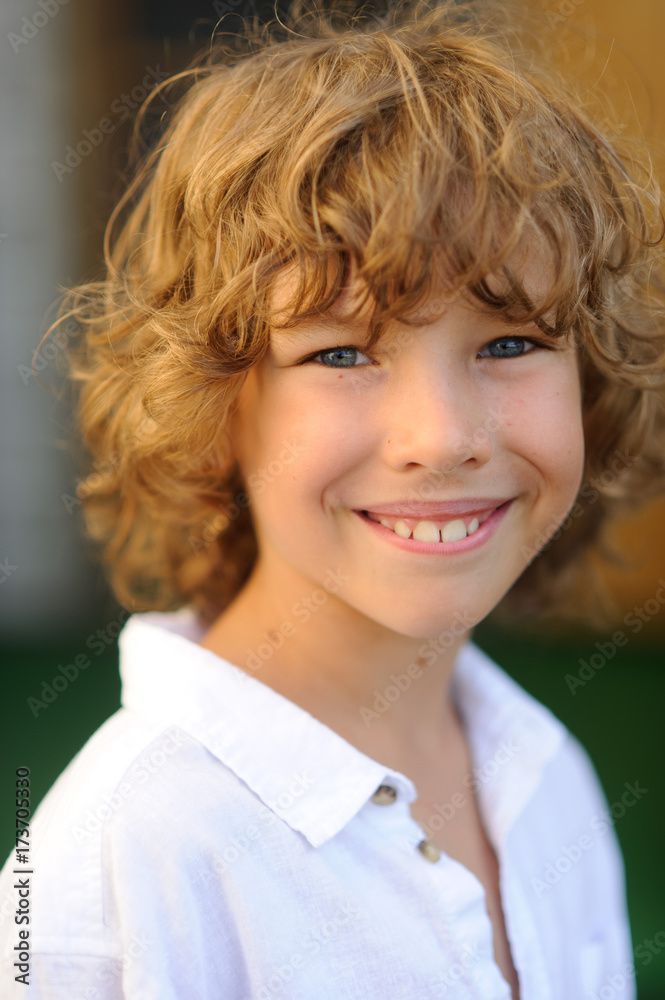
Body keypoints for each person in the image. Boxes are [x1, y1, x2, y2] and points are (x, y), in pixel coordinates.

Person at [2, 0, 665, 996]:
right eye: (342, 353)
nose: (441, 436)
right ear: (213, 406)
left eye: (509, 341)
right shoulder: (122, 863)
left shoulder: (543, 771)